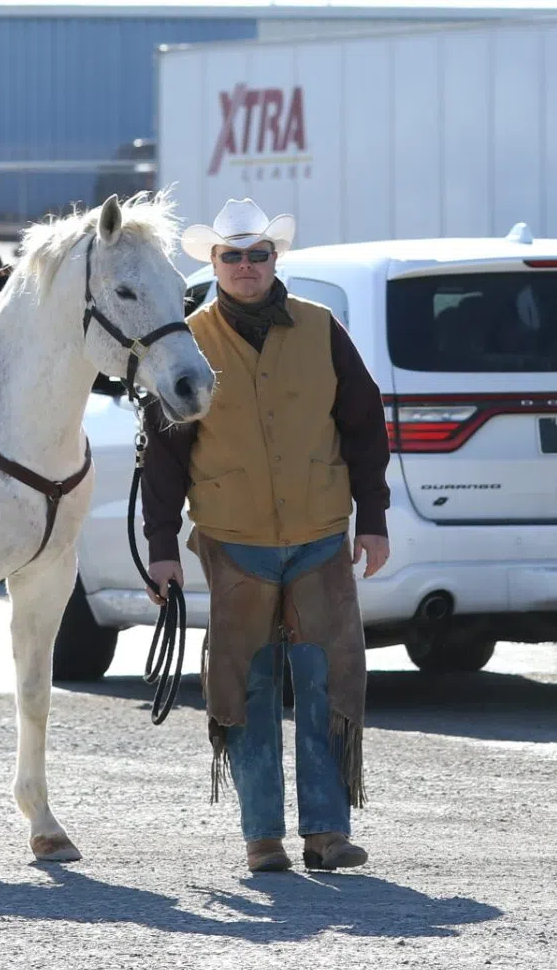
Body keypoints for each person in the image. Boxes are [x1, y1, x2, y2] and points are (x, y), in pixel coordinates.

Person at [142, 197, 391, 874]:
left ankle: (328, 832)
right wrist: (160, 547)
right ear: (214, 263)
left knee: (329, 681)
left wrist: (374, 518)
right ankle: (262, 837)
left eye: (257, 254)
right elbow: (162, 456)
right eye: (232, 255)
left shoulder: (322, 328)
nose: (246, 266)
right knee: (243, 687)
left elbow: (366, 427)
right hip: (232, 540)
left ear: (275, 259)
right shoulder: (186, 342)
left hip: (318, 533)